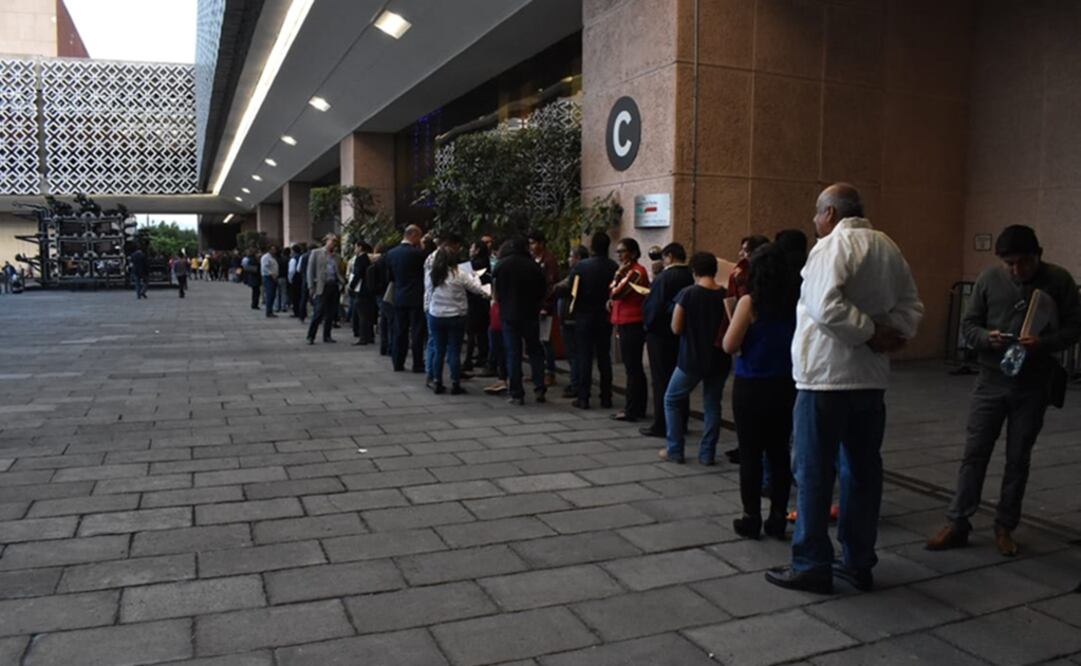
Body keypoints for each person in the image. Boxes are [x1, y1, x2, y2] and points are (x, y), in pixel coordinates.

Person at [765, 183, 923, 595]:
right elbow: (911, 306)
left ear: (830, 213)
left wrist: (870, 333)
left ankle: (812, 563)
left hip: (825, 378)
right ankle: (857, 561)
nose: (815, 223)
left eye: (816, 215)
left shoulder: (832, 246)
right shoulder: (888, 247)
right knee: (862, 471)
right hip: (870, 380)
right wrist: (893, 334)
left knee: (815, 472)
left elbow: (824, 306)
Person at [927, 225, 1081, 557]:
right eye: (1009, 264)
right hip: (991, 379)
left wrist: (1045, 343)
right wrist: (987, 338)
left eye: (1023, 263)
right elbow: (968, 325)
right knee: (975, 453)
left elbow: (1074, 327)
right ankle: (957, 522)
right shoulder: (988, 280)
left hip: (1033, 382)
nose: (1016, 270)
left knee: (1018, 457)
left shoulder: (1059, 280)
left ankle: (1005, 525)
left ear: (1038, 255)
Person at [723, 245, 799, 539]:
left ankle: (750, 517)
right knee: (780, 452)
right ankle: (778, 517)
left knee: (751, 454)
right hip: (786, 383)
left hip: (751, 384)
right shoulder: (796, 302)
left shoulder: (749, 303)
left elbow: (730, 345)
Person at [660, 251, 730, 465]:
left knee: (671, 399)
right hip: (719, 359)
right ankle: (707, 453)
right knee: (712, 404)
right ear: (714, 270)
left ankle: (675, 449)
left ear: (694, 271)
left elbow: (676, 327)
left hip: (691, 358)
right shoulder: (725, 295)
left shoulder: (687, 294)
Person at [640, 242, 694, 438]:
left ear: (669, 256)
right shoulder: (690, 275)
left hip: (660, 335)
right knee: (679, 379)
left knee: (661, 379)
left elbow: (653, 307)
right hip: (682, 334)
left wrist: (647, 326)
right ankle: (682, 421)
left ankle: (662, 424)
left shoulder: (664, 277)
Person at [427, 246, 490, 394]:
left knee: (439, 349)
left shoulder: (433, 275)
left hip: (436, 314)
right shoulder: (459, 274)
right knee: (454, 350)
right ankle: (455, 382)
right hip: (456, 316)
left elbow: (428, 292)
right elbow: (476, 289)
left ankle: (437, 381)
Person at [493, 238, 548, 405]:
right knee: (535, 351)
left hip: (509, 315)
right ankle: (540, 388)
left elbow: (496, 292)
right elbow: (542, 289)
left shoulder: (501, 265)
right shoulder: (533, 265)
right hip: (530, 313)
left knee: (513, 353)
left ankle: (517, 392)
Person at [568, 232, 618, 409]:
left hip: (584, 316)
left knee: (584, 356)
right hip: (604, 316)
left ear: (592, 247)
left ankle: (583, 397)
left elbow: (572, 290)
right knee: (604, 356)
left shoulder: (582, 267)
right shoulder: (614, 267)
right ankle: (606, 396)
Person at [609, 237, 650, 422]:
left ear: (633, 253)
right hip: (624, 320)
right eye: (618, 252)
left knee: (633, 368)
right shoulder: (627, 271)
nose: (619, 256)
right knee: (631, 367)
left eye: (622, 251)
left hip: (632, 322)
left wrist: (619, 275)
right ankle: (635, 407)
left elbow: (617, 292)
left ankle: (633, 409)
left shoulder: (636, 272)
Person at [386, 225, 427, 372]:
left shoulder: (391, 253)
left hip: (399, 295)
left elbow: (390, 277)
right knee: (417, 331)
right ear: (414, 235)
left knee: (399, 330)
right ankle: (417, 363)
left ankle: (398, 362)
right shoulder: (419, 254)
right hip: (416, 296)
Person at [553, 245, 591, 399]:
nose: (569, 259)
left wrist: (557, 287)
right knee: (577, 354)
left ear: (579, 258)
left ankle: (576, 384)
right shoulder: (577, 272)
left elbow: (561, 288)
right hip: (574, 318)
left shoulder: (578, 273)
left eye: (571, 256)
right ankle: (577, 383)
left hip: (572, 318)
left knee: (574, 354)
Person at [528, 230, 561, 387]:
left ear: (541, 243)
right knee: (536, 340)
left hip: (544, 306)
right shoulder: (533, 259)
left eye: (534, 243)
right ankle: (538, 371)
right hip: (534, 305)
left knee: (545, 340)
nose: (531, 246)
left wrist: (546, 305)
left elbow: (551, 285)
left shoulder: (549, 260)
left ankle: (550, 373)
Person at [305, 234, 344, 344]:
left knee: (331, 313)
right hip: (321, 286)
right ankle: (311, 336)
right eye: (332, 241)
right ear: (326, 241)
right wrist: (311, 286)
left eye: (335, 242)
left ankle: (327, 335)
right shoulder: (316, 253)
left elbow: (339, 271)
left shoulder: (337, 256)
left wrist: (342, 282)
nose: (333, 244)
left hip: (333, 285)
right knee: (318, 312)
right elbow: (310, 270)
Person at [464, 240, 492, 372]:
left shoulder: (474, 265)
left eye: (472, 247)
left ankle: (470, 358)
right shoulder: (487, 262)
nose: (470, 249)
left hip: (475, 300)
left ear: (477, 250)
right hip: (483, 299)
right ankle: (482, 355)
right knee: (481, 330)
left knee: (472, 330)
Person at [348, 241, 375, 345]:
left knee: (362, 314)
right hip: (367, 290)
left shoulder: (360, 259)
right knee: (367, 314)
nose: (355, 249)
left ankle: (363, 337)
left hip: (361, 289)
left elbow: (357, 274)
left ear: (360, 247)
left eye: (356, 247)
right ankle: (370, 335)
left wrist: (351, 286)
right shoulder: (368, 259)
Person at [261, 246, 279, 317]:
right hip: (268, 277)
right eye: (273, 249)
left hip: (273, 277)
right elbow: (265, 267)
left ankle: (270, 310)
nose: (275, 251)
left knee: (272, 295)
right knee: (270, 294)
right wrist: (271, 274)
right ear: (270, 250)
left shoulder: (272, 257)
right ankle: (268, 311)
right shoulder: (266, 257)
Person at [277, 247, 291, 312]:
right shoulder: (287, 260)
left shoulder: (276, 260)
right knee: (284, 292)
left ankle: (277, 306)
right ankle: (283, 306)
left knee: (277, 293)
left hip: (277, 277)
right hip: (284, 277)